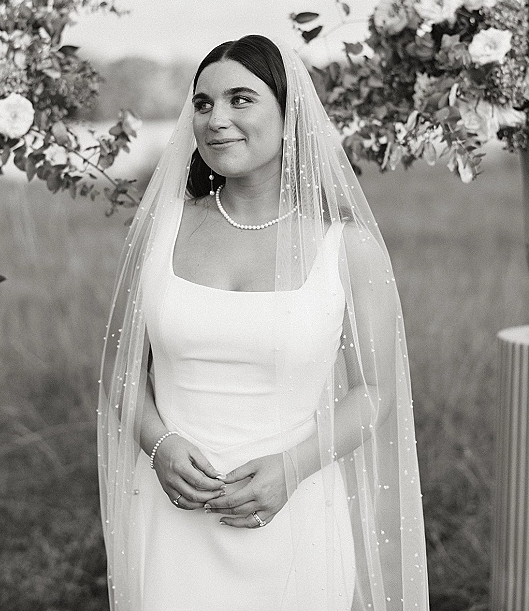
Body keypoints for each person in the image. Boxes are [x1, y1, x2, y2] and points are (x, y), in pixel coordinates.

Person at [98, 35, 429, 611]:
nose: (216, 119)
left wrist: (292, 468)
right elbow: (119, 369)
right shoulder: (160, 231)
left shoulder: (346, 248)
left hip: (294, 516)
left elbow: (375, 391)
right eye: (202, 104)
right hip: (172, 518)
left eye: (240, 99)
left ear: (288, 113)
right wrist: (160, 443)